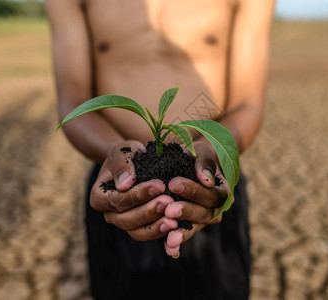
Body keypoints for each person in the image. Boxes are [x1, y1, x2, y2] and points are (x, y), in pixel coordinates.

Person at [45, 0, 275, 299]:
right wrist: (114, 153)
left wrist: (209, 149)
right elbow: (74, 100)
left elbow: (247, 104)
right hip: (118, 178)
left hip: (210, 177)